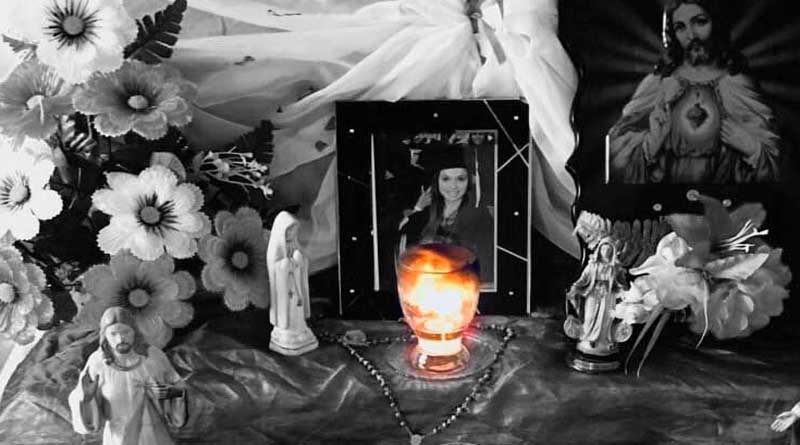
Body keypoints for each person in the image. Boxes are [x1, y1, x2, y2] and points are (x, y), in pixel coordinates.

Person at [608, 0, 782, 184]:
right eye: (680, 27)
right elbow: (616, 151)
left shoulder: (737, 84)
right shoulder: (659, 84)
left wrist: (750, 146)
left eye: (700, 22)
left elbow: (776, 161)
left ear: (717, 24)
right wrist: (652, 142)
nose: (691, 35)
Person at [68, 307, 188, 445]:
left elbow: (178, 387)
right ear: (105, 336)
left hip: (154, 433)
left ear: (135, 332)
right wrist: (87, 397)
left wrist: (168, 392)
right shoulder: (98, 362)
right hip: (118, 435)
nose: (120, 338)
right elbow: (80, 397)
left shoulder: (153, 357)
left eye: (126, 332)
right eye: (113, 334)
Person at [399, 143, 494, 284]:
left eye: (460, 179)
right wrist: (417, 208)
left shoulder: (480, 216)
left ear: (469, 181)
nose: (453, 186)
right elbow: (404, 252)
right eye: (446, 179)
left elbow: (485, 266)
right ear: (436, 181)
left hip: (461, 287)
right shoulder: (423, 215)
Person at [564, 238, 629, 356]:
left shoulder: (615, 268)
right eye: (603, 249)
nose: (605, 252)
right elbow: (583, 279)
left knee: (606, 318)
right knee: (589, 316)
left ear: (612, 252)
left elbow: (621, 283)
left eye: (608, 250)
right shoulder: (592, 266)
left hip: (608, 296)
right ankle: (588, 338)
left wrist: (625, 292)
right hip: (593, 294)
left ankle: (603, 340)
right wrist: (575, 287)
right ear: (599, 250)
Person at [267, 211, 318, 355]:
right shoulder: (275, 247)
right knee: (290, 307)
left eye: (294, 231)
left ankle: (300, 328)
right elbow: (274, 268)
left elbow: (300, 262)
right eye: (289, 230)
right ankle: (287, 332)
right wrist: (285, 264)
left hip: (295, 284)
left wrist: (301, 261)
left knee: (298, 308)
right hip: (285, 288)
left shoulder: (294, 245)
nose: (292, 234)